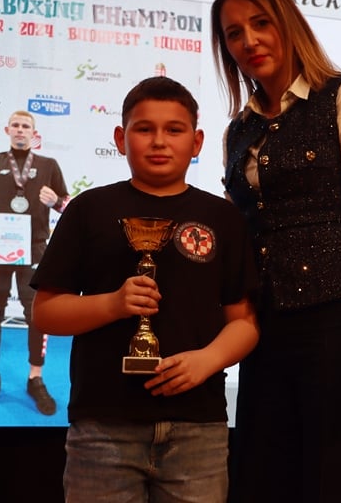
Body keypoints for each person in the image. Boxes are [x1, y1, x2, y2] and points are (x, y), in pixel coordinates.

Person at [211, 0, 341, 502]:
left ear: (289, 26)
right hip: (264, 334)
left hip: (337, 331)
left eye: (261, 23)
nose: (249, 40)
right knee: (264, 484)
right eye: (233, 33)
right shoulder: (238, 130)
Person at [30, 76, 259, 502]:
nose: (159, 141)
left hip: (198, 426)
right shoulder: (89, 210)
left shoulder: (222, 218)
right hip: (103, 425)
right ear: (121, 138)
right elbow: (45, 312)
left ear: (196, 141)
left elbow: (244, 322)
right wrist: (113, 304)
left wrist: (207, 360)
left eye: (174, 129)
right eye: (144, 129)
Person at [0, 110, 70, 415]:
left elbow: (68, 204)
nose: (21, 130)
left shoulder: (48, 165)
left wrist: (55, 202)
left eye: (26, 126)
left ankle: (35, 378)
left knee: (38, 313)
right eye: (16, 125)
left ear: (35, 133)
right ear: (7, 130)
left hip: (34, 249)